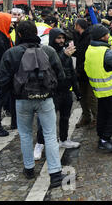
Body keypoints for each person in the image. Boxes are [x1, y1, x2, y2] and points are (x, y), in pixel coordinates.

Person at [0, 21, 66, 187]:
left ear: (19, 35)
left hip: (22, 100)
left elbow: (1, 80)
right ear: (36, 32)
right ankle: (55, 174)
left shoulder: (11, 53)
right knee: (49, 134)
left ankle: (28, 169)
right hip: (45, 98)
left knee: (25, 134)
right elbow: (60, 75)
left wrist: (9, 96)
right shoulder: (48, 50)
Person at [34, 28, 82, 160]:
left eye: (63, 38)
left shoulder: (65, 51)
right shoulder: (47, 51)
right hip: (52, 93)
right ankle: (39, 143)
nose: (61, 41)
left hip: (66, 91)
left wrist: (77, 92)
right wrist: (64, 56)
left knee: (65, 117)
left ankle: (64, 139)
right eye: (58, 38)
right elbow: (51, 68)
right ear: (52, 39)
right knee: (46, 121)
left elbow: (71, 72)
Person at [84, 24, 112, 153]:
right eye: (106, 34)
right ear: (102, 37)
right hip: (110, 89)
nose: (108, 35)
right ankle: (105, 138)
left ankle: (101, 138)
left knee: (103, 114)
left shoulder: (91, 48)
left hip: (99, 89)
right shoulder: (106, 52)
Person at [73, 17, 97, 128]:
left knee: (91, 96)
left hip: (89, 70)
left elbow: (88, 55)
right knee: (82, 95)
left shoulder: (89, 37)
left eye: (75, 24)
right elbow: (79, 52)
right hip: (80, 71)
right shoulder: (78, 36)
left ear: (79, 26)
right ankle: (86, 117)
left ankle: (96, 118)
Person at [0, 13, 13, 137]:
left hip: (4, 74)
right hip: (0, 76)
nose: (11, 24)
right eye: (9, 21)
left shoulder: (4, 35)